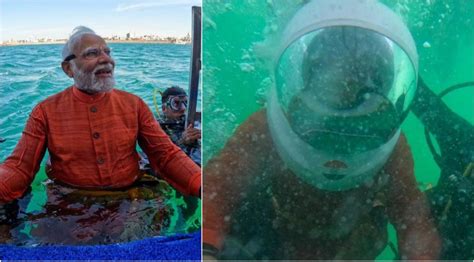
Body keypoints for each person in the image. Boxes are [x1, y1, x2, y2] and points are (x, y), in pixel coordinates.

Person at [203, 0, 440, 260]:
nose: (349, 100)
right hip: (276, 243)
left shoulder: (393, 149)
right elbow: (220, 186)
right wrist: (206, 248)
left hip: (349, 250)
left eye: (363, 86)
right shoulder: (265, 127)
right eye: (335, 82)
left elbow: (411, 215)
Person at [0, 26, 201, 204]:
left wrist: (202, 184)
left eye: (107, 52)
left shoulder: (134, 104)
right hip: (69, 204)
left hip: (129, 200)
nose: (107, 59)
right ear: (68, 68)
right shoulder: (45, 111)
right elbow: (20, 168)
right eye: (92, 53)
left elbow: (165, 155)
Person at [159, 86, 201, 166]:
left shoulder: (194, 119)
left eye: (186, 103)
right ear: (164, 108)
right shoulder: (158, 127)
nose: (183, 108)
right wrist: (182, 141)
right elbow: (161, 156)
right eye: (176, 103)